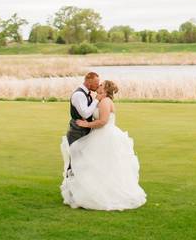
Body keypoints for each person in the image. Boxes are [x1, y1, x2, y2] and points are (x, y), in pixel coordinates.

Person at [60, 80, 147, 211]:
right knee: (93, 162)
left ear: (105, 89)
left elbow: (103, 121)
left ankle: (105, 195)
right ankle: (88, 191)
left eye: (101, 84)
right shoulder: (101, 100)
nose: (99, 85)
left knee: (103, 165)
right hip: (99, 134)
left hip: (105, 135)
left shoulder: (106, 101)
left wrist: (86, 125)